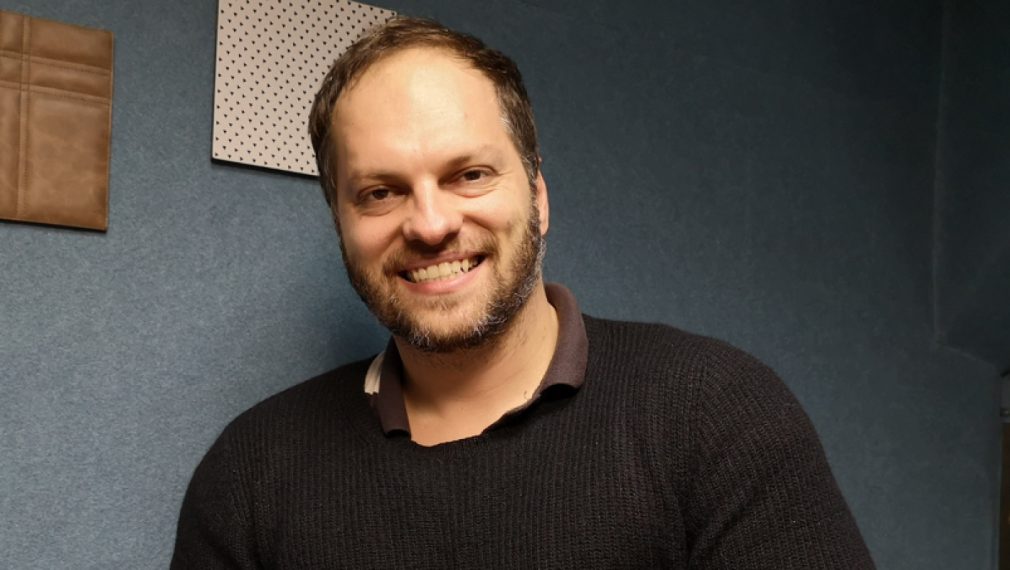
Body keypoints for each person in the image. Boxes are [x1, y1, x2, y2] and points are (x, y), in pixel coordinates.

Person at [172, 16, 875, 569]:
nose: (431, 224)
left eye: (469, 175)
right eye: (380, 192)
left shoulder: (715, 414)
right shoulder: (250, 476)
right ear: (342, 225)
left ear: (537, 196)